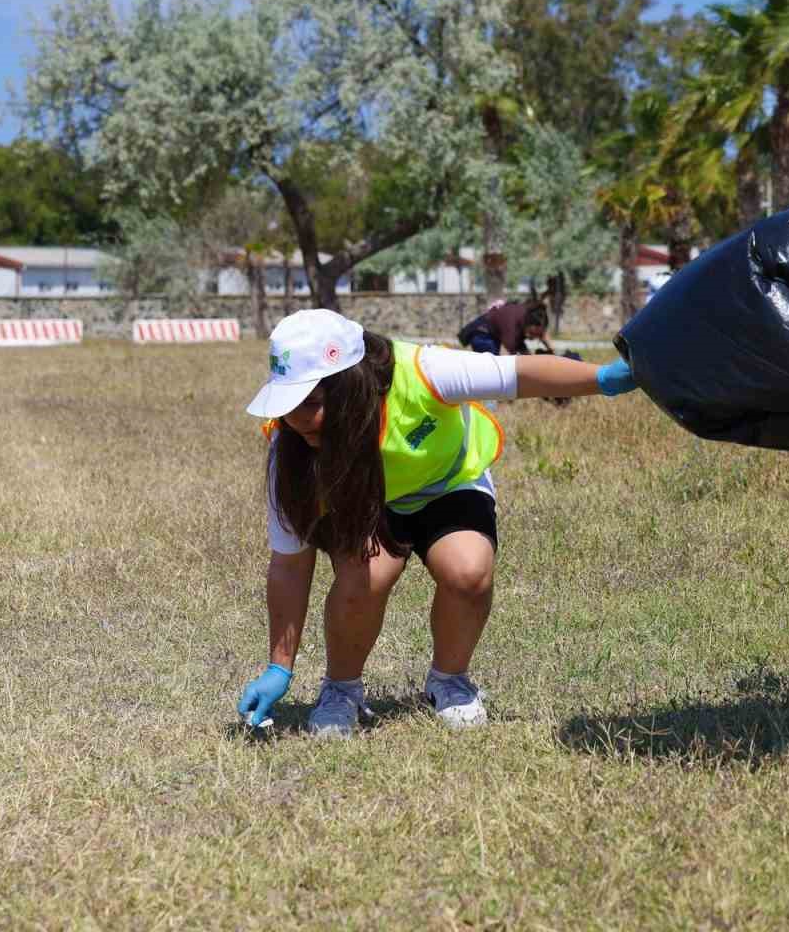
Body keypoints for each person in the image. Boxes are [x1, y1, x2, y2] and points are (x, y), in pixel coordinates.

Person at [236, 308, 636, 735]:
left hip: (448, 484)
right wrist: (279, 666)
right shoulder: (291, 451)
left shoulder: (424, 371)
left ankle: (449, 680)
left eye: (312, 403)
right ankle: (341, 690)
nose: (298, 420)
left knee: (468, 571)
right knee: (362, 580)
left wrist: (602, 378)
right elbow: (290, 565)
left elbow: (517, 374)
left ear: (352, 383)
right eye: (288, 404)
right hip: (372, 503)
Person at [458, 299, 549, 355]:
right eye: (533, 334)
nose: (533, 337)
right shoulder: (512, 322)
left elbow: (519, 344)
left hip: (491, 335)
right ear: (531, 325)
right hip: (483, 334)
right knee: (490, 367)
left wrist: (549, 349)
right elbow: (512, 348)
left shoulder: (525, 317)